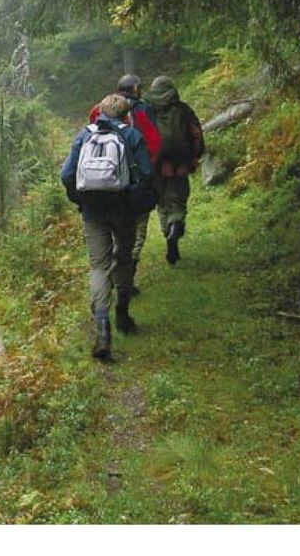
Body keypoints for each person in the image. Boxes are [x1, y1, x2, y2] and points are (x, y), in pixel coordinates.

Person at [60, 93, 156, 361]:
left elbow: (67, 175)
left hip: (92, 210)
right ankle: (123, 315)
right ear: (127, 115)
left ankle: (103, 330)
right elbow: (147, 174)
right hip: (123, 210)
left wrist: (79, 200)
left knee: (98, 265)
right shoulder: (132, 137)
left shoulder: (84, 135)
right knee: (123, 258)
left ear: (100, 112)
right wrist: (134, 199)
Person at [89, 74, 160, 295]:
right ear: (135, 88)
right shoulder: (139, 111)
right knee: (131, 241)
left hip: (96, 195)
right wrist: (144, 183)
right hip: (128, 192)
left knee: (101, 254)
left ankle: (103, 302)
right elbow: (154, 144)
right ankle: (124, 288)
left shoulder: (96, 112)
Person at [145, 74, 205, 265]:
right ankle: (176, 225)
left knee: (162, 202)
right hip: (181, 162)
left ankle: (168, 232)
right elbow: (196, 133)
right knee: (178, 199)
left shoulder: (148, 110)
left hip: (159, 164)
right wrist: (194, 157)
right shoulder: (183, 109)